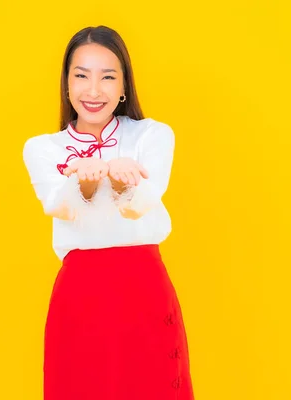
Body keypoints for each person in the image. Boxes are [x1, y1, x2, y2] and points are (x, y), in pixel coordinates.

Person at [22, 26, 195, 399]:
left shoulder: (152, 135)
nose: (94, 90)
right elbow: (58, 205)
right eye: (81, 75)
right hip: (80, 297)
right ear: (66, 84)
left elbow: (144, 201)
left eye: (107, 77)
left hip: (144, 289)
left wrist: (119, 183)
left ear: (123, 86)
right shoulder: (43, 148)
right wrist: (83, 184)